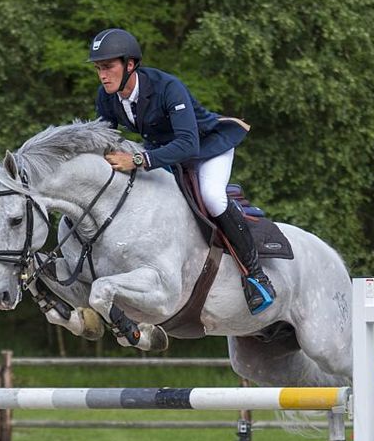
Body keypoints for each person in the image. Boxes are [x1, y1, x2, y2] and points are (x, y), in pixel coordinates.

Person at [89, 28, 275, 315]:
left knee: (212, 197)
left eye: (108, 67)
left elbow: (188, 143)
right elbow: (105, 140)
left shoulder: (167, 87)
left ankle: (256, 276)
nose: (103, 75)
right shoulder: (107, 97)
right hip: (164, 152)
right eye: (99, 68)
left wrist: (138, 160)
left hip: (207, 147)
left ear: (129, 65)